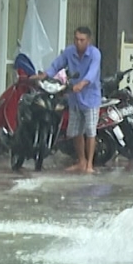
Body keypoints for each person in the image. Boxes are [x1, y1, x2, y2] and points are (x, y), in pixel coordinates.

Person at [38, 26, 101, 174]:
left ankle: (90, 164)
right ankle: (81, 161)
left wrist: (82, 83)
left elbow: (92, 73)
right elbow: (57, 64)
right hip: (74, 97)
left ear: (88, 41)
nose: (79, 42)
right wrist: (45, 74)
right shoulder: (69, 52)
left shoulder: (95, 54)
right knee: (74, 130)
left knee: (91, 131)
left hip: (91, 98)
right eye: (76, 39)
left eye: (82, 40)